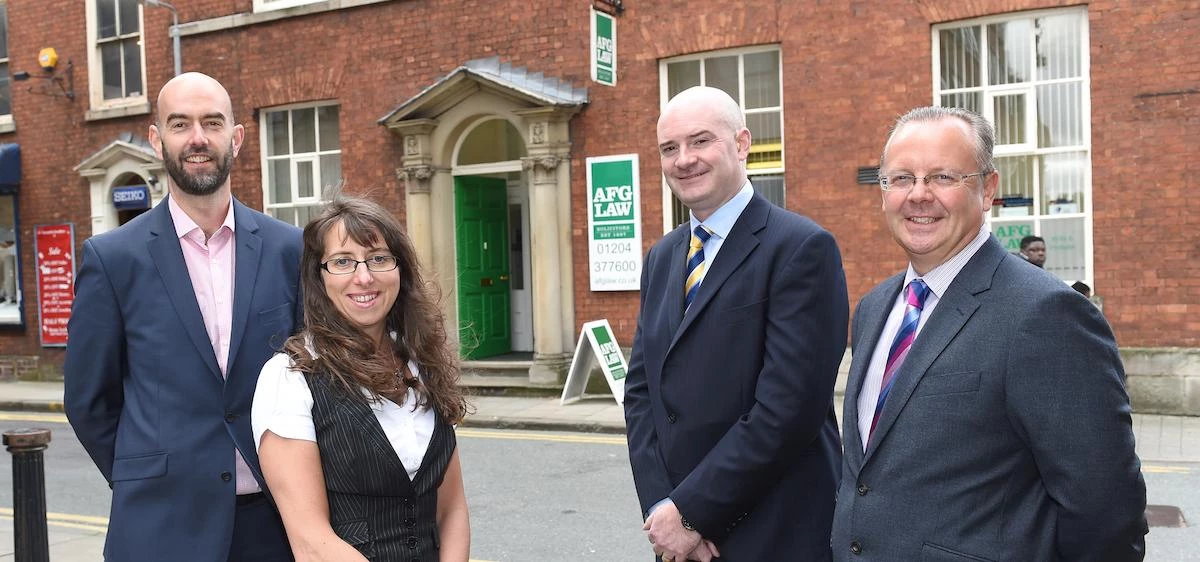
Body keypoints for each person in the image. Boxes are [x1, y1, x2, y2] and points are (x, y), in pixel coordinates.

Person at [833, 106, 1147, 560]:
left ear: (988, 189)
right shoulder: (874, 309)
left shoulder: (1046, 315)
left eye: (943, 177)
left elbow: (1106, 510)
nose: (918, 195)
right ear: (883, 192)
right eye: (900, 178)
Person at [64, 72, 302, 562]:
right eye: (180, 124)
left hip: (275, 526)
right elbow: (89, 401)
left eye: (212, 123)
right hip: (158, 526)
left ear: (236, 138)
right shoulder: (112, 259)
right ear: (157, 140)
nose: (198, 138)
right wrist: (145, 476)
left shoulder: (288, 248)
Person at [624, 86, 848, 562]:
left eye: (700, 141)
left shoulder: (801, 248)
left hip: (775, 531)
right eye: (669, 148)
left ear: (742, 144)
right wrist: (663, 507)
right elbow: (642, 391)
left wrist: (693, 512)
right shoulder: (662, 257)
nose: (684, 160)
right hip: (681, 538)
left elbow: (788, 411)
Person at [252, 196, 471, 561]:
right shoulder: (290, 379)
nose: (364, 276)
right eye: (342, 262)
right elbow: (310, 540)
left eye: (379, 258)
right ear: (318, 277)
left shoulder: (421, 363)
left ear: (400, 269)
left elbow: (451, 511)